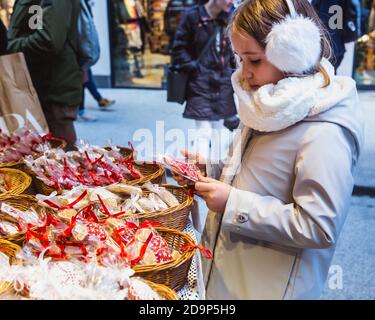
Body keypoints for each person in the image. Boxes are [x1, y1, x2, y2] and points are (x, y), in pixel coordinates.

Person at [173, 0, 364, 299]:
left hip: (270, 288)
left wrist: (232, 204)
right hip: (233, 273)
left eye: (254, 60)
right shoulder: (269, 104)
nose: (244, 74)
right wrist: (212, 170)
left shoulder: (324, 131)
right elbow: (256, 169)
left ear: (293, 51)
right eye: (240, 60)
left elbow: (319, 226)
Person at [7, 0, 82, 151]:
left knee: (61, 159)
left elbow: (48, 40)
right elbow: (36, 28)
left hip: (51, 88)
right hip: (38, 87)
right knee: (43, 159)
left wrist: (7, 47)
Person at [171, 0, 239, 161]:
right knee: (203, 131)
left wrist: (234, 72)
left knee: (218, 130)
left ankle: (214, 172)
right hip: (199, 81)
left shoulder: (232, 16)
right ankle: (200, 174)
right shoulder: (193, 16)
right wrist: (195, 67)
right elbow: (178, 48)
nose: (231, 1)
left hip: (223, 81)